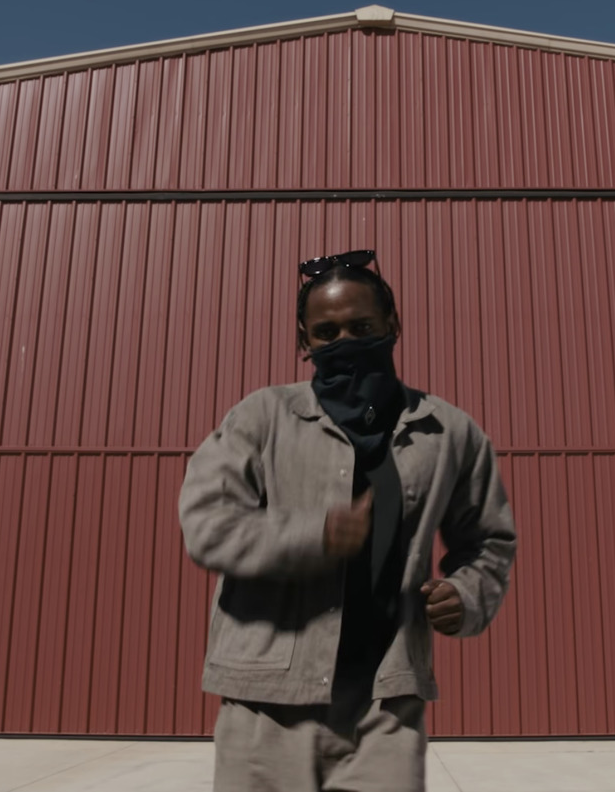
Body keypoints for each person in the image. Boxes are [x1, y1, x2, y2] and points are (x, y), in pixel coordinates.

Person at [178, 248, 518, 792]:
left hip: (385, 709)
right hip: (266, 706)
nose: (345, 344)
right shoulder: (261, 417)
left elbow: (489, 540)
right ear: (303, 341)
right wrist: (316, 534)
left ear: (393, 324)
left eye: (361, 327)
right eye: (326, 333)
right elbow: (206, 521)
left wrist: (468, 593)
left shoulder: (450, 432)